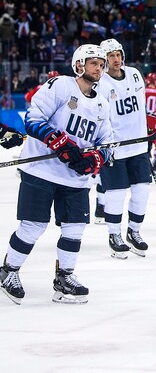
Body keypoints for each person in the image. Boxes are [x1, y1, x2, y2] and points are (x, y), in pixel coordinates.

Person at [0, 44, 113, 305]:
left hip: (75, 180)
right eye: (93, 63)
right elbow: (33, 118)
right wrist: (60, 142)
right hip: (41, 171)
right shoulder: (60, 86)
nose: (99, 68)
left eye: (101, 64)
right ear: (79, 65)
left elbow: (107, 143)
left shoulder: (102, 105)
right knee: (33, 226)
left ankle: (65, 277)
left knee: (74, 228)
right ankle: (9, 271)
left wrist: (95, 159)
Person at [95, 39, 151, 258]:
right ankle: (114, 234)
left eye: (118, 54)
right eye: (110, 56)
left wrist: (147, 135)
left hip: (137, 146)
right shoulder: (101, 83)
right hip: (115, 148)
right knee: (116, 194)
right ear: (104, 59)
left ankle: (134, 231)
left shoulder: (136, 74)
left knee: (141, 191)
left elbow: (140, 107)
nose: (115, 59)